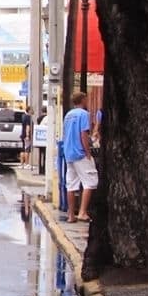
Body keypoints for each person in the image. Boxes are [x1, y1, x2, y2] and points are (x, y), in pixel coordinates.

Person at [61, 92, 98, 223]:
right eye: (86, 99)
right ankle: (82, 212)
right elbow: (83, 134)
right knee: (90, 181)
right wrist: (88, 152)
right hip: (80, 153)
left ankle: (71, 215)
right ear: (83, 100)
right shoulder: (84, 114)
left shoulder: (68, 115)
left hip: (69, 153)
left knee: (71, 185)